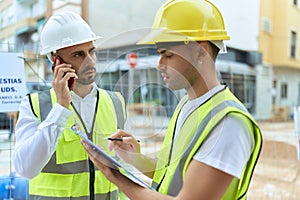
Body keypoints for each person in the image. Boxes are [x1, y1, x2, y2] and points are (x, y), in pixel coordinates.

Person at [81, 0, 263, 199]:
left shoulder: (229, 124)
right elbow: (170, 170)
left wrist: (116, 177)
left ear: (200, 51)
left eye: (167, 55)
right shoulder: (187, 105)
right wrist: (134, 157)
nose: (159, 64)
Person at [13, 11, 126, 199]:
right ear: (56, 61)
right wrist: (61, 108)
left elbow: (125, 168)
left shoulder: (115, 102)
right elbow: (26, 169)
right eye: (78, 55)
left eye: (92, 51)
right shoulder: (34, 105)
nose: (90, 61)